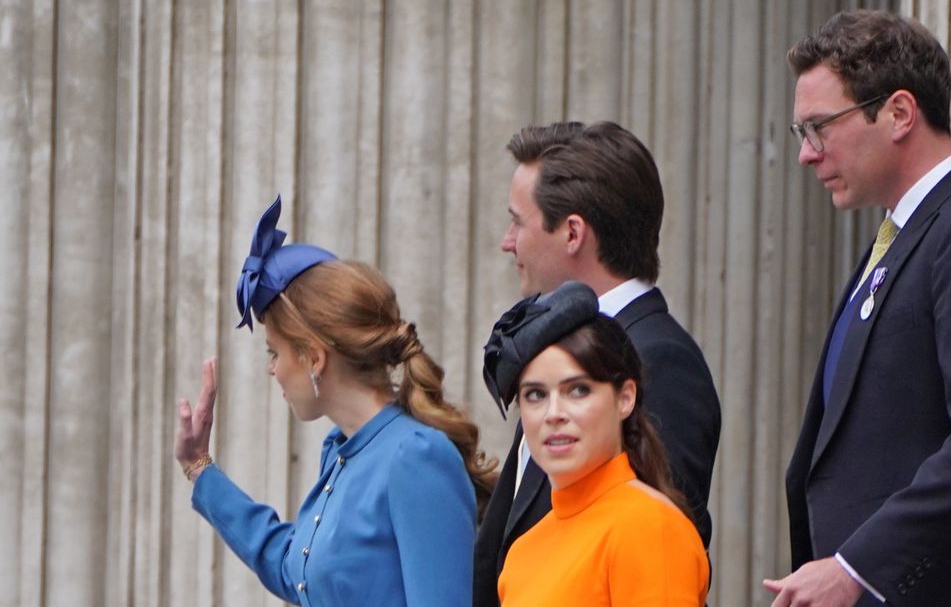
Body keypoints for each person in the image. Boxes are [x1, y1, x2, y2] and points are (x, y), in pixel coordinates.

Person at [764, 11, 951, 606]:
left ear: (899, 113)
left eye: (819, 127)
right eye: (802, 132)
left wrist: (855, 567)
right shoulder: (906, 234)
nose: (807, 155)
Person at [174, 195, 495, 606]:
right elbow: (294, 569)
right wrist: (199, 467)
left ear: (314, 358)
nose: (271, 369)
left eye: (274, 352)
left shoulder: (416, 456)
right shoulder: (340, 451)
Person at [474, 122, 721, 606]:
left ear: (572, 233)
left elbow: (658, 547)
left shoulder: (661, 359)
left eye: (518, 222)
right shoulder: (550, 348)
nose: (507, 242)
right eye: (535, 395)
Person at [483, 281, 709, 605]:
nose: (554, 413)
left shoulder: (649, 527)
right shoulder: (523, 550)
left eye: (578, 390)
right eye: (535, 395)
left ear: (625, 398)